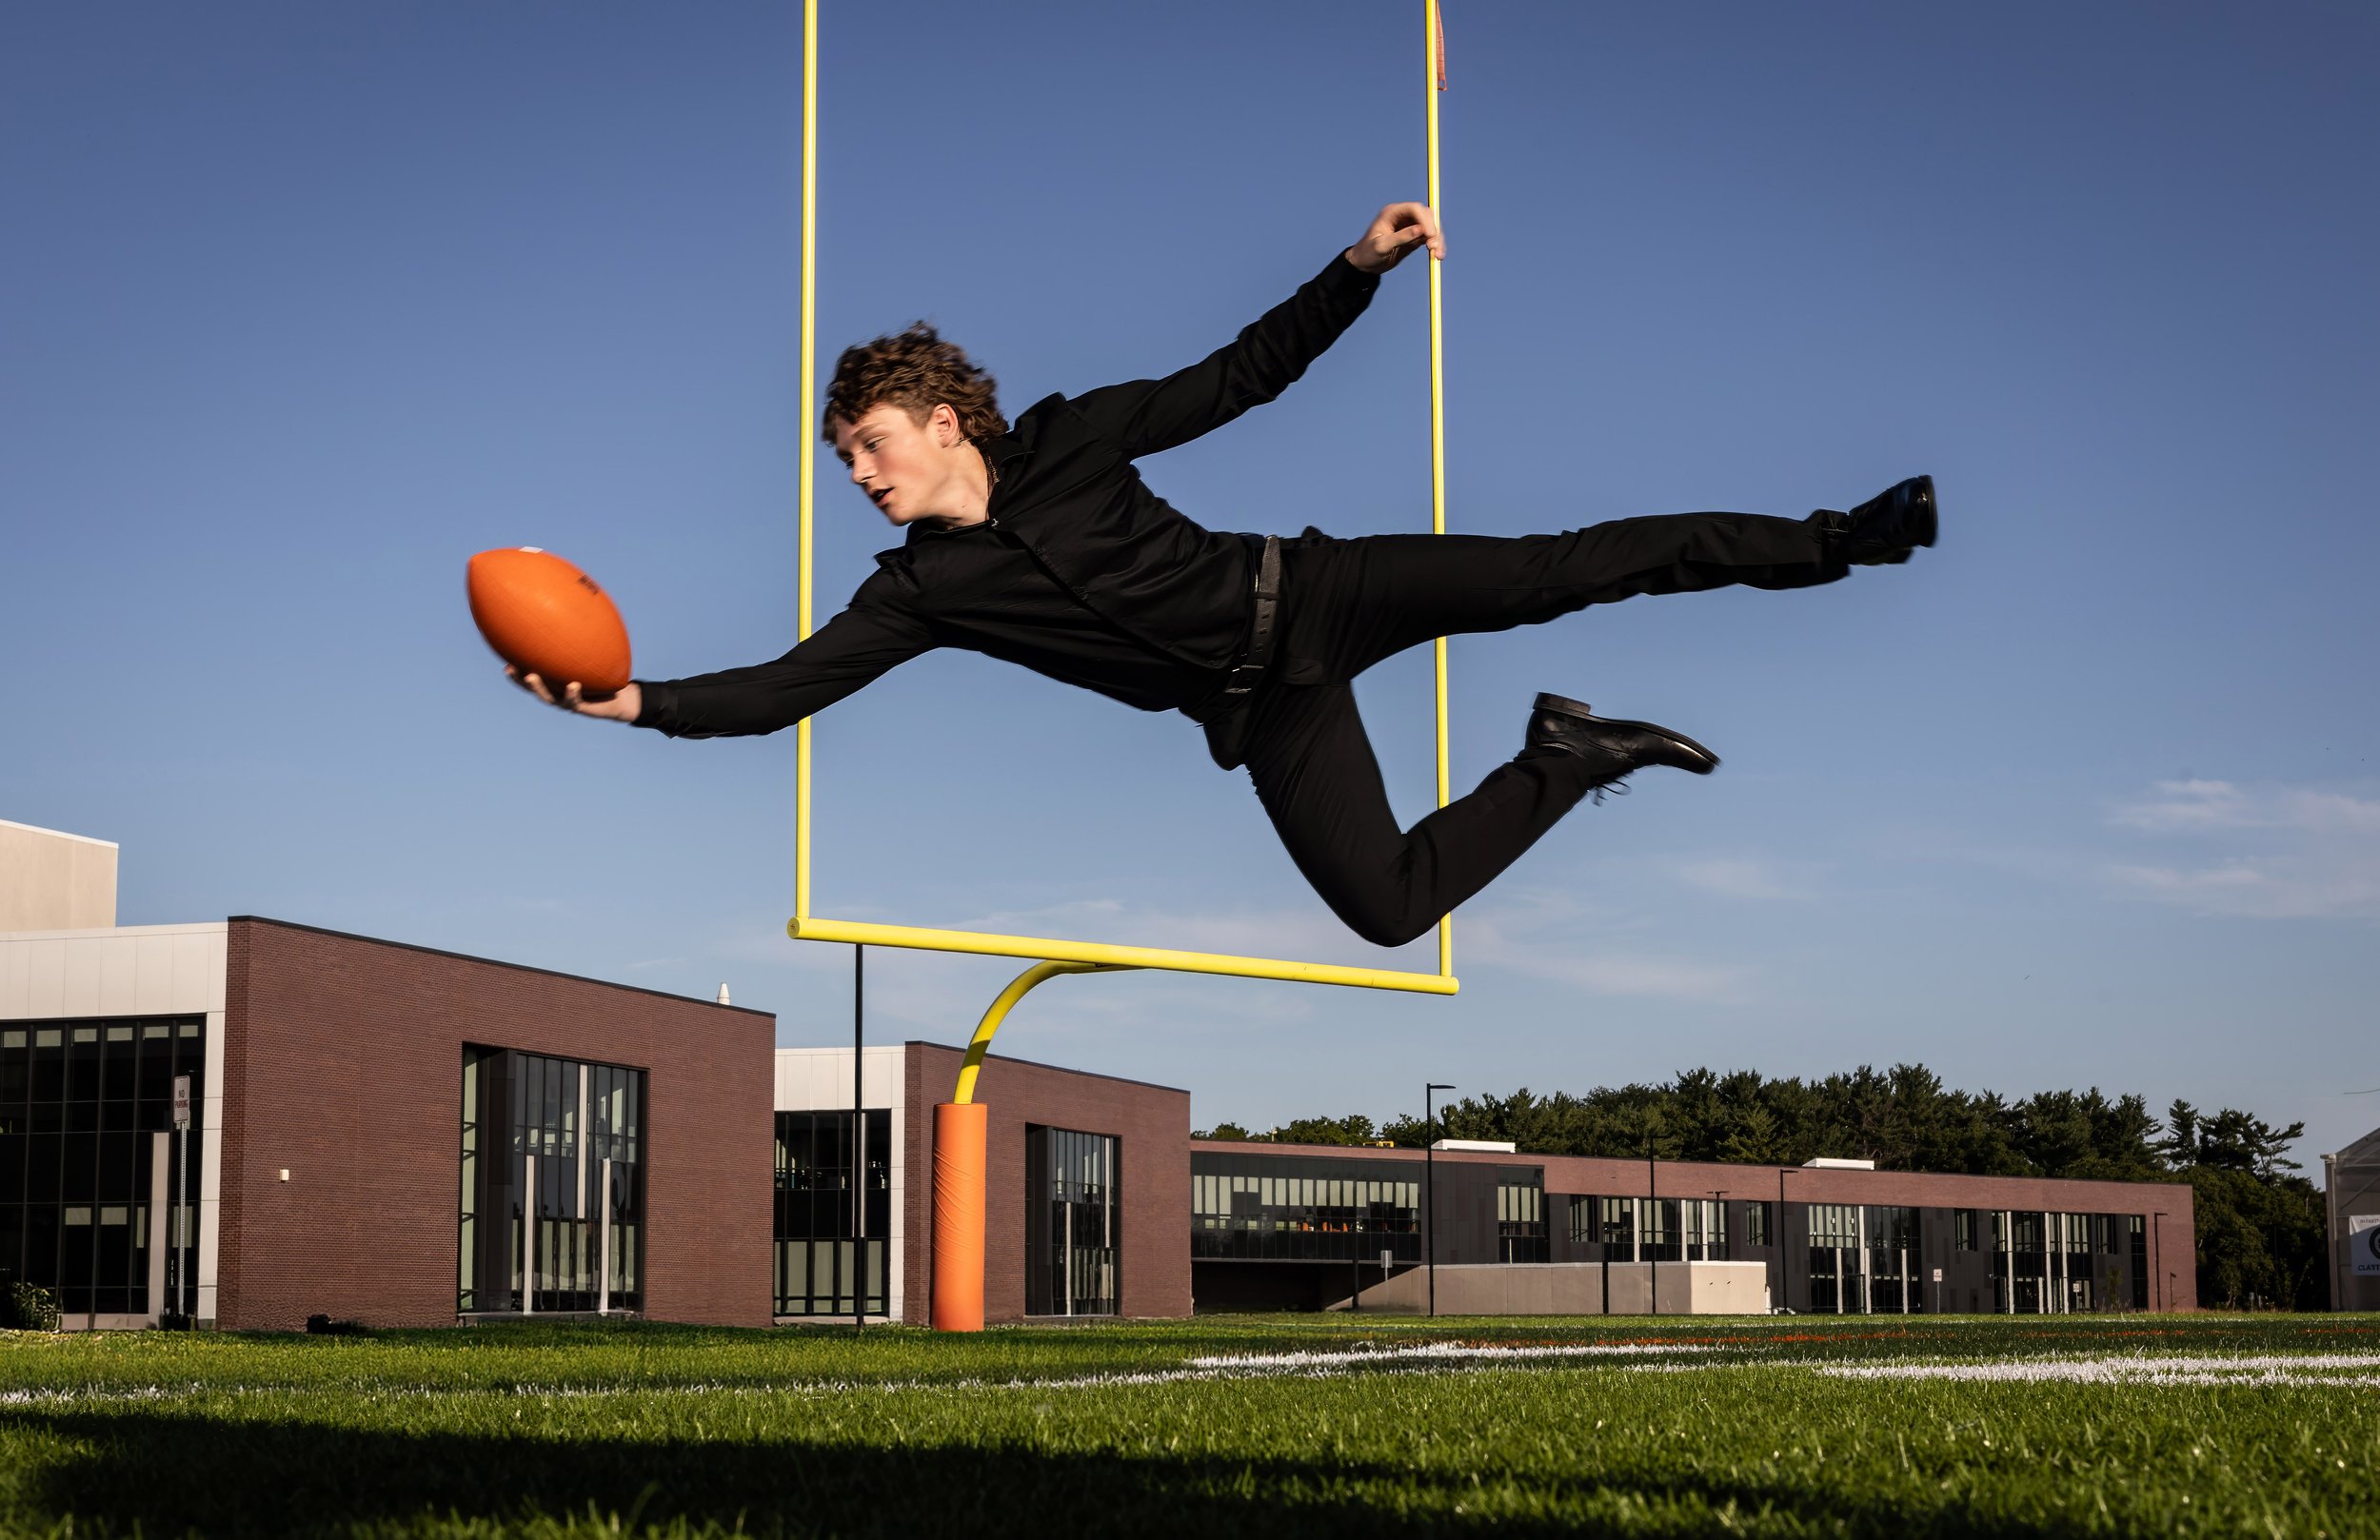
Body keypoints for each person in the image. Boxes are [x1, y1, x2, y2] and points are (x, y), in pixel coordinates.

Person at [514, 202, 1935, 948]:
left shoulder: (1071, 439)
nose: (864, 474)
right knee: (1386, 909)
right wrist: (629, 701)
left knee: (1564, 569)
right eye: (848, 463)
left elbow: (1240, 376)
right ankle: (1564, 757)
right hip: (1267, 712)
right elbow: (780, 691)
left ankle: (1840, 538)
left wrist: (1356, 268)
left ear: (942, 420)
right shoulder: (915, 594)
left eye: (873, 445)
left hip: (1314, 592)